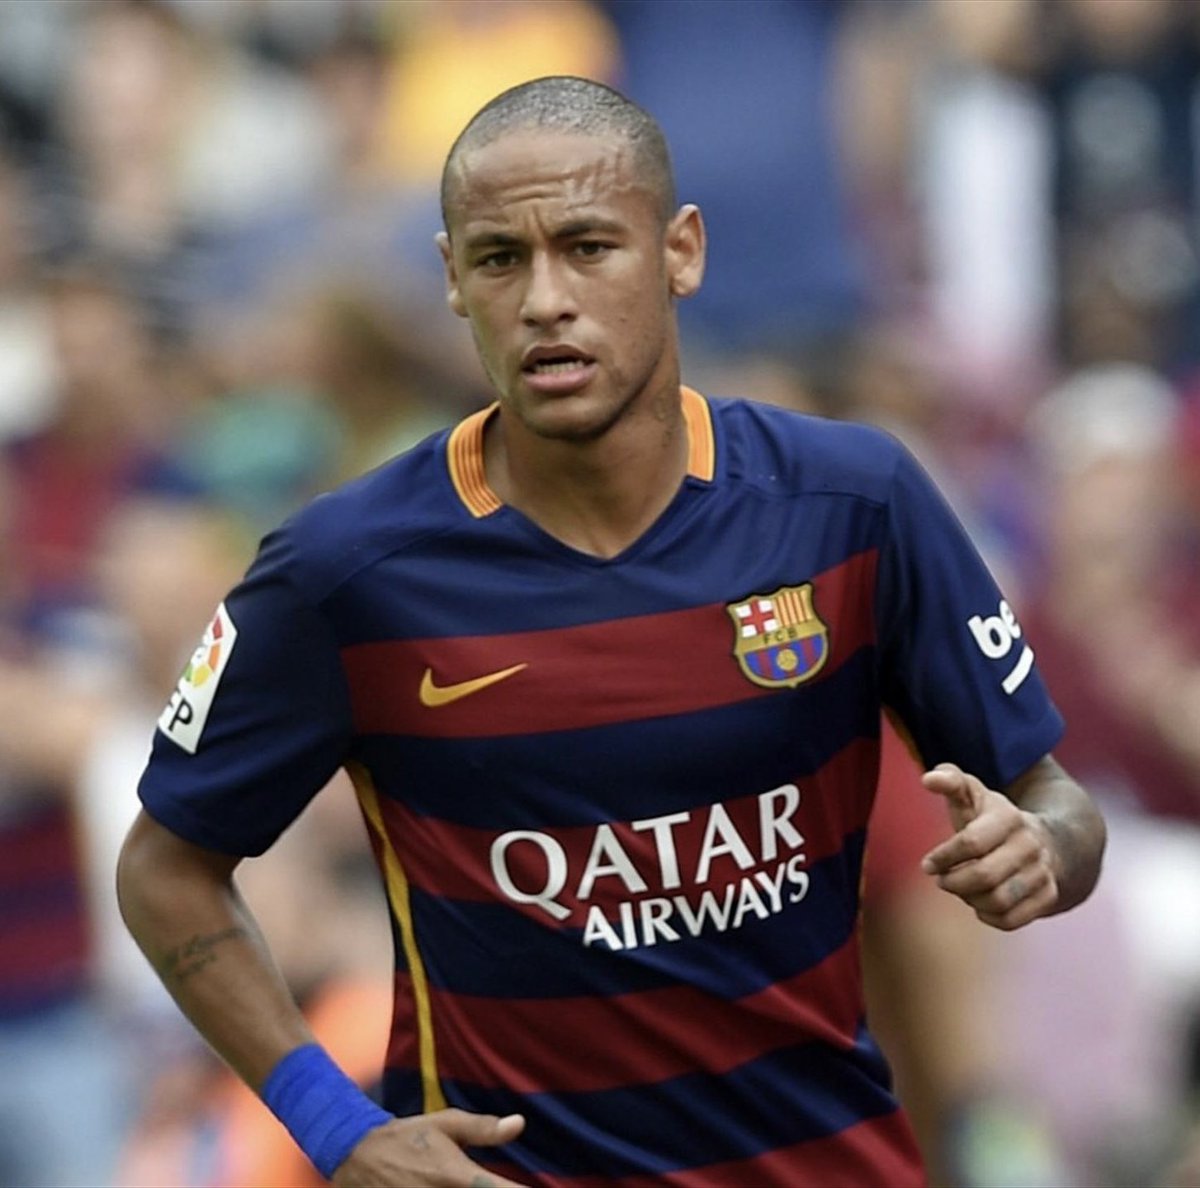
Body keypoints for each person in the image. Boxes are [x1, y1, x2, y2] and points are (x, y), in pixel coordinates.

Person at [117, 76, 1107, 1188]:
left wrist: (1043, 850)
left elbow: (1056, 800)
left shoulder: (852, 504)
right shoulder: (344, 572)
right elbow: (165, 869)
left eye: (588, 247)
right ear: (453, 278)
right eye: (501, 259)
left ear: (681, 252)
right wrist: (335, 1127)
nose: (546, 299)